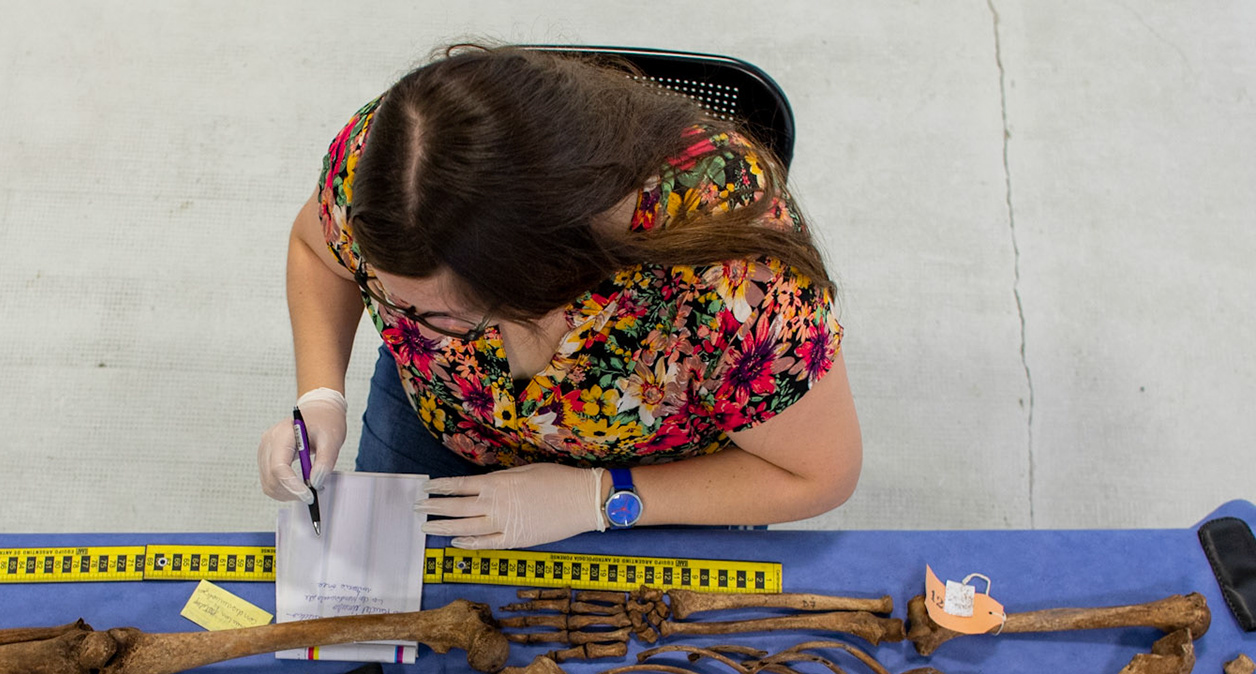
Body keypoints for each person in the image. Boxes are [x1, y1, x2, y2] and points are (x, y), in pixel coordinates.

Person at [256, 44, 862, 549]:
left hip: (662, 470)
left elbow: (819, 474)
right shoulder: (382, 167)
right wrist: (320, 394)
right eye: (398, 306)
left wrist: (604, 497)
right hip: (449, 416)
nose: (420, 328)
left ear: (557, 276)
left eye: (445, 316)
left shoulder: (738, 283)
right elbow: (317, 252)